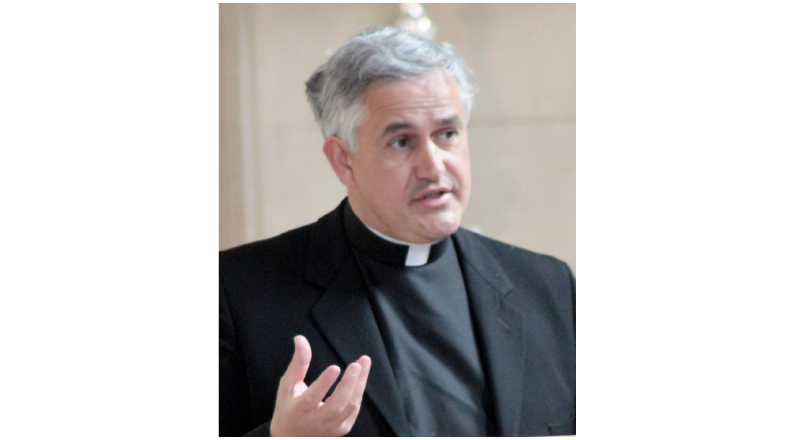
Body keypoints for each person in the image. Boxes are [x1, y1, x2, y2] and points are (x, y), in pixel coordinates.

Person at [218, 26, 575, 437]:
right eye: (402, 142)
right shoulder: (240, 293)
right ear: (343, 160)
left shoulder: (549, 288)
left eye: (447, 134)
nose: (434, 166)